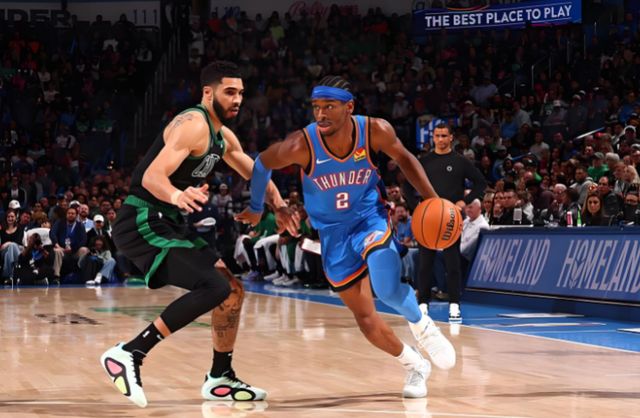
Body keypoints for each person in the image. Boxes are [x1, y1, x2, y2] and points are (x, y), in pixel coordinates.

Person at [237, 76, 456, 399]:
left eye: (329, 106)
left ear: (349, 107)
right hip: (332, 234)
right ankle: (414, 365)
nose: (321, 114)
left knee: (386, 288)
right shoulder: (302, 145)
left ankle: (423, 326)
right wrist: (262, 207)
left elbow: (405, 158)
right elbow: (262, 163)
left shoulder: (374, 130)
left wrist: (432, 199)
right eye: (316, 107)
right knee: (366, 320)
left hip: (369, 219)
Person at [100, 61, 297, 408]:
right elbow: (151, 177)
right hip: (142, 219)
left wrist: (279, 206)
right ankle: (129, 353)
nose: (237, 99)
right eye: (229, 92)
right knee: (214, 286)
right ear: (208, 92)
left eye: (240, 93)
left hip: (169, 221)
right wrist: (177, 195)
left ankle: (220, 376)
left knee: (231, 292)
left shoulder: (223, 136)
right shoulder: (193, 124)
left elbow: (256, 173)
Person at [405, 123, 487, 323]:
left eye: (444, 136)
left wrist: (464, 202)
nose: (440, 139)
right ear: (433, 137)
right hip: (429, 219)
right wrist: (417, 207)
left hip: (451, 218)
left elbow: (481, 183)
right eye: (437, 136)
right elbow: (406, 185)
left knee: (452, 264)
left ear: (451, 138)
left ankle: (454, 305)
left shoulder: (460, 161)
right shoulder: (424, 161)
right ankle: (423, 305)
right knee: (425, 263)